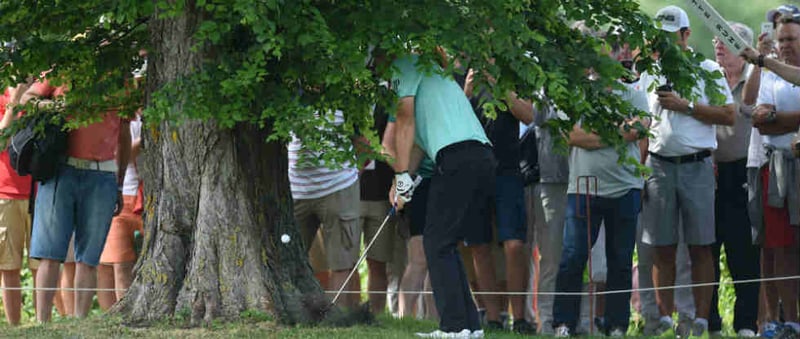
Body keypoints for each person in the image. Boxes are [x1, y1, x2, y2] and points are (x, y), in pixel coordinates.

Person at [383, 51, 494, 338]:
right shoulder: (432, 75)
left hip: (458, 155)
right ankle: (469, 325)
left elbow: (404, 118)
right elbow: (419, 145)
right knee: (444, 242)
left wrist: (400, 176)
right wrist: (403, 180)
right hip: (478, 155)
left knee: (436, 242)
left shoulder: (404, 63)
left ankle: (453, 327)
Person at [640, 6, 736, 337]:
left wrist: (688, 106)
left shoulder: (708, 69)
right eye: (660, 39)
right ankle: (667, 321)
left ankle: (700, 320)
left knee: (700, 246)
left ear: (685, 34)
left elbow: (728, 115)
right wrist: (639, 170)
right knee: (662, 247)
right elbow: (642, 123)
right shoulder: (648, 73)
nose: (665, 44)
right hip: (658, 166)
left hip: (696, 165)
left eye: (671, 37)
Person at [551, 34, 651, 337]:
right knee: (573, 257)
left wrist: (596, 134)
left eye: (606, 50)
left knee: (620, 260)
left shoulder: (633, 92)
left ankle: (617, 324)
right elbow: (570, 136)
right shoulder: (575, 94)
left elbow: (641, 127)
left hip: (625, 187)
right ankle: (564, 323)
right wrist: (616, 131)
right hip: (584, 187)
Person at [27, 76, 132, 321]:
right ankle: (43, 324)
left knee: (90, 257)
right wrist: (54, 106)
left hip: (103, 173)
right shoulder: (65, 69)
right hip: (60, 170)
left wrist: (119, 182)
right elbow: (27, 100)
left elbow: (124, 132)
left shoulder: (122, 80)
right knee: (50, 254)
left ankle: (80, 322)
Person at [462, 67, 535, 334]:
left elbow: (529, 115)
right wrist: (467, 91)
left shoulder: (513, 69)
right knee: (479, 245)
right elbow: (452, 120)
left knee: (515, 245)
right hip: (474, 169)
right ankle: (493, 319)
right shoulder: (461, 70)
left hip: (508, 170)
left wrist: (499, 84)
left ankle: (520, 319)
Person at [744, 14, 800, 338]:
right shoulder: (771, 73)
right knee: (780, 247)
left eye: (791, 39)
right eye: (781, 40)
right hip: (776, 165)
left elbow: (771, 118)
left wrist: (778, 118)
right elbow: (759, 119)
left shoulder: (777, 68)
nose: (785, 46)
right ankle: (790, 321)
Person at [706, 22, 762, 338]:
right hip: (709, 171)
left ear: (744, 49)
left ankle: (745, 323)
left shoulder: (755, 78)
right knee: (708, 248)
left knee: (744, 251)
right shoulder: (705, 76)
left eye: (726, 42)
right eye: (716, 41)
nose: (718, 47)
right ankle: (711, 322)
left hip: (744, 171)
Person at [288, 109, 362, 309]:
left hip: (339, 186)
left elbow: (363, 141)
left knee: (342, 262)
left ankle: (335, 320)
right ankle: (293, 315)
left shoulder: (345, 96)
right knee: (286, 259)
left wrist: (349, 172)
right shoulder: (286, 89)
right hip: (295, 190)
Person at [97, 111, 143, 310]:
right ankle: (119, 317)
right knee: (119, 264)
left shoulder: (155, 116)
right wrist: (142, 142)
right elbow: (116, 155)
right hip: (121, 196)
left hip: (147, 198)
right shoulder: (114, 116)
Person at [0, 82, 34, 325]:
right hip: (6, 192)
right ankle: (14, 328)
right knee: (8, 266)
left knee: (42, 264)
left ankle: (48, 325)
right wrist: (16, 97)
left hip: (39, 191)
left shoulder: (41, 93)